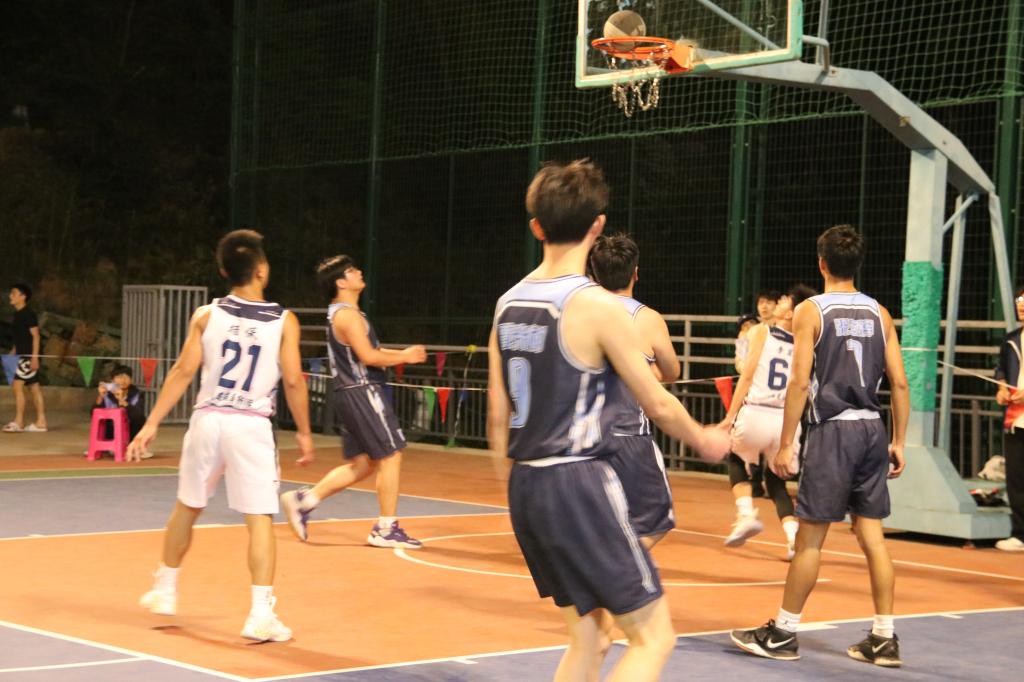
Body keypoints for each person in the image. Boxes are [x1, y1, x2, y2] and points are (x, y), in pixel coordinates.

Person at [489, 159, 730, 682]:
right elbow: (657, 402)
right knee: (653, 637)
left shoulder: (507, 304)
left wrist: (516, 484)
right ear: (597, 226)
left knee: (589, 637)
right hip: (578, 480)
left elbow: (496, 413)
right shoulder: (597, 307)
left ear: (536, 226)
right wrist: (704, 440)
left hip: (526, 483)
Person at [731, 225, 909, 667]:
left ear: (822, 263)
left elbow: (798, 382)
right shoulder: (880, 313)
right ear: (858, 263)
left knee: (810, 538)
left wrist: (785, 443)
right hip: (872, 428)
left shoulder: (812, 310)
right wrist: (900, 441)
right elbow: (900, 383)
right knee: (873, 537)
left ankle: (783, 633)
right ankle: (884, 637)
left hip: (833, 432)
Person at [127, 229, 314, 643]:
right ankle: (260, 613)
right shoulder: (284, 321)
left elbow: (182, 371)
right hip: (250, 424)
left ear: (224, 272)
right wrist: (304, 431)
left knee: (187, 506)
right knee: (259, 520)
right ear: (261, 270)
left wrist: (152, 422)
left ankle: (165, 589)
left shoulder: (206, 315)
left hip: (208, 420)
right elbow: (294, 381)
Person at [280, 255, 427, 548]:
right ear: (341, 282)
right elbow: (369, 357)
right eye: (351, 270)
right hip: (362, 391)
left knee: (363, 464)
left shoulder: (343, 314)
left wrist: (401, 355)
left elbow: (369, 351)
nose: (359, 272)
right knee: (391, 455)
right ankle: (385, 529)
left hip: (348, 392)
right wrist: (405, 356)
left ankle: (304, 501)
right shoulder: (347, 316)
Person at [588, 232, 680, 549]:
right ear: (635, 273)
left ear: (593, 274)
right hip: (628, 435)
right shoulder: (647, 319)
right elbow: (672, 372)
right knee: (657, 519)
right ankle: (619, 569)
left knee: (595, 521)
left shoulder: (577, 314)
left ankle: (602, 566)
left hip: (580, 436)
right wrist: (644, 371)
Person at [719, 284, 816, 560]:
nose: (779, 301)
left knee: (735, 457)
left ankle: (746, 514)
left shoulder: (762, 332)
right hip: (787, 420)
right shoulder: (807, 344)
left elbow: (747, 375)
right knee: (776, 482)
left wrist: (729, 416)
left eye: (784, 300)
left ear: (790, 312)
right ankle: (793, 539)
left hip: (757, 411)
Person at [994, 286, 1024, 552]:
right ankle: (1020, 534)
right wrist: (1002, 389)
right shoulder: (1011, 339)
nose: (1021, 304)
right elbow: (1001, 371)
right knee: (1016, 478)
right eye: (1019, 299)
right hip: (1016, 421)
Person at [4, 283, 47, 433]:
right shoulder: (18, 314)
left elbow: (36, 336)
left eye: (14, 293)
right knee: (34, 388)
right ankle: (41, 422)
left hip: (27, 357)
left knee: (17, 386)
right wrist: (13, 351)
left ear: (23, 296)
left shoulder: (28, 314)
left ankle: (19, 422)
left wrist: (34, 358)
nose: (10, 296)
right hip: (21, 355)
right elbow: (21, 337)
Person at [93, 364, 152, 458]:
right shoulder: (107, 394)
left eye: (126, 377)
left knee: (140, 420)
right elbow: (94, 415)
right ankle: (104, 447)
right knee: (102, 423)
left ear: (131, 380)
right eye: (119, 377)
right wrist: (100, 396)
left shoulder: (137, 394)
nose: (123, 380)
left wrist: (122, 401)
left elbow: (139, 417)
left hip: (131, 430)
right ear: (112, 380)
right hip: (111, 430)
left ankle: (136, 448)